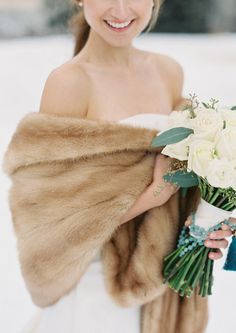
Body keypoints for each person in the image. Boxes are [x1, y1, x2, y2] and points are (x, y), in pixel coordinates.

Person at [20, 0, 233, 332]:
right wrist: (152, 195)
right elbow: (50, 224)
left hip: (161, 287)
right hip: (97, 288)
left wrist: (206, 224)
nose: (120, 10)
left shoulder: (168, 71)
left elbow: (184, 179)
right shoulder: (69, 83)